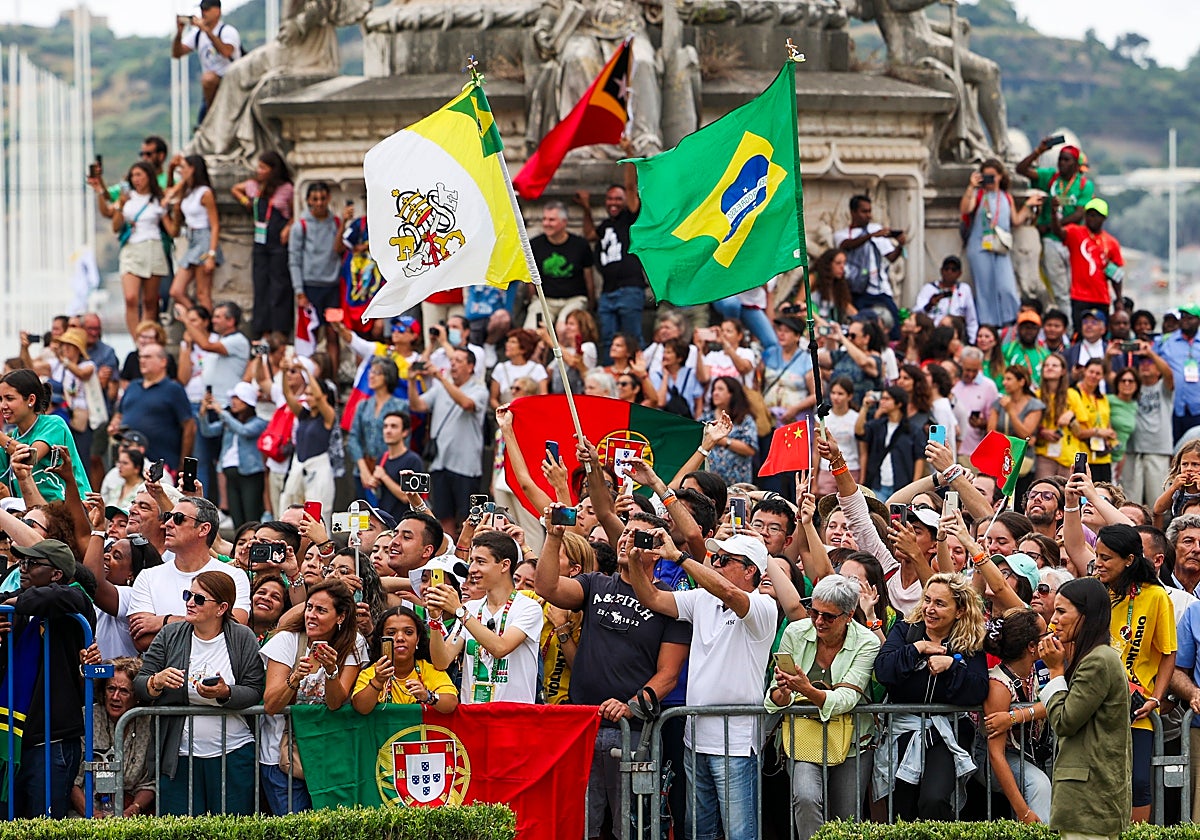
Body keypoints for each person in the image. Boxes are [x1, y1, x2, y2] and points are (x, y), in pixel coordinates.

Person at [534, 508, 689, 840]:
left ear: (657, 549)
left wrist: (630, 705)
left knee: (630, 829)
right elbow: (546, 587)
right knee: (581, 825)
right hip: (583, 726)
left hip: (632, 733)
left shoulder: (672, 604)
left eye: (638, 536)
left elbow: (668, 675)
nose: (626, 539)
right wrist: (554, 536)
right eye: (625, 532)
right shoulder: (595, 583)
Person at [628, 532, 778, 840]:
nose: (717, 565)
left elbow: (728, 592)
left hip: (735, 744)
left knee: (741, 834)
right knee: (699, 832)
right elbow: (652, 598)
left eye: (725, 560)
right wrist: (634, 562)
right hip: (694, 740)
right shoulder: (703, 599)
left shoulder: (764, 606)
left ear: (751, 570)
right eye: (716, 559)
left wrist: (680, 558)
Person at [134, 570, 263, 816]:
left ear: (222, 608)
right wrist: (156, 681)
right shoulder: (170, 634)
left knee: (233, 831)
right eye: (188, 595)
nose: (190, 603)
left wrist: (225, 693)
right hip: (179, 755)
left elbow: (255, 690)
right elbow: (140, 683)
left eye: (199, 599)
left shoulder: (242, 637)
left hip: (233, 752)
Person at [765, 574, 880, 840]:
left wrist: (807, 690)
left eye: (828, 617)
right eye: (814, 612)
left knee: (846, 817)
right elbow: (775, 697)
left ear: (849, 615)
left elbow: (846, 699)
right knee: (804, 798)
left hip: (854, 743)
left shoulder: (867, 642)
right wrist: (781, 693)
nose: (818, 621)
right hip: (804, 735)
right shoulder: (796, 632)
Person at [874, 572, 988, 820]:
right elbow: (883, 670)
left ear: (959, 611)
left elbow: (979, 688)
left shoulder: (969, 641)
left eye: (940, 603)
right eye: (927, 600)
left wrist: (951, 666)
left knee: (934, 800)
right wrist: (917, 649)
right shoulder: (905, 630)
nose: (929, 609)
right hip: (902, 729)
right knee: (902, 808)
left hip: (946, 732)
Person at [1083, 520, 1176, 823]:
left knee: (1137, 783)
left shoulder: (1156, 596)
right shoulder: (1095, 594)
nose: (1098, 563)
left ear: (1129, 560)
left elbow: (1167, 653)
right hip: (1095, 705)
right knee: (1096, 783)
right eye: (1096, 556)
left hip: (1137, 708)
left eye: (1106, 558)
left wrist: (1156, 699)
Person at [0, 539, 94, 818]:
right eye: (21, 562)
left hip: (51, 744)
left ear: (56, 575)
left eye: (32, 563)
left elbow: (57, 597)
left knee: (47, 827)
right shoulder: (16, 606)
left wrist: (13, 603)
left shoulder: (74, 601)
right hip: (11, 739)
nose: (23, 568)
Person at [1037, 577, 1131, 839]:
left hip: (1089, 800)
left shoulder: (1098, 660)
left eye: (1062, 611)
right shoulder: (1097, 657)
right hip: (1093, 800)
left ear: (1087, 615)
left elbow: (1065, 721)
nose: (1053, 619)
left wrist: (1055, 672)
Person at [259, 579, 364, 814]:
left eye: (321, 610)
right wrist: (295, 677)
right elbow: (271, 704)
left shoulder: (354, 643)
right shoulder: (286, 640)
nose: (311, 615)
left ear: (341, 616)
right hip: (281, 756)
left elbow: (335, 702)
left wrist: (330, 671)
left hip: (329, 755)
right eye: (309, 607)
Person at [426, 531, 544, 704]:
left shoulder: (528, 608)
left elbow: (500, 648)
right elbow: (442, 661)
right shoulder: (471, 608)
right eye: (472, 561)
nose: (472, 569)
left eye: (480, 562)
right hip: (474, 717)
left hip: (513, 720)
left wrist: (460, 611)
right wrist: (435, 621)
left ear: (504, 565)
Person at [128, 496, 252, 652]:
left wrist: (164, 621)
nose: (168, 524)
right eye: (168, 516)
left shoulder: (234, 576)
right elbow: (142, 641)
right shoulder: (147, 577)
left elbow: (233, 630)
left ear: (203, 529)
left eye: (179, 519)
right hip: (164, 672)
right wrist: (207, 624)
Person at [979, 608, 1051, 823]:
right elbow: (996, 755)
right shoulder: (999, 685)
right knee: (1038, 784)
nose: (1051, 638)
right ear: (1031, 646)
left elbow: (1061, 700)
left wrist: (1014, 717)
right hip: (996, 758)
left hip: (1030, 752)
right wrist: (1024, 812)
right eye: (1045, 635)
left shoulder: (1040, 668)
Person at [407, 349, 489, 535]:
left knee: (469, 518)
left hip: (466, 466)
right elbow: (417, 405)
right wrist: (412, 380)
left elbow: (467, 404)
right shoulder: (440, 388)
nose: (453, 364)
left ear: (471, 366)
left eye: (459, 361)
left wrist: (441, 379)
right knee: (443, 517)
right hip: (440, 463)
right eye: (451, 360)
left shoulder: (479, 389)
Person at [1016, 142, 1095, 322]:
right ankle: (1066, 328)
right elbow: (1021, 169)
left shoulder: (1084, 185)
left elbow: (1079, 214)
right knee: (1059, 291)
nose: (1062, 163)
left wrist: (1054, 224)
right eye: (1060, 159)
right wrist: (1039, 150)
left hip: (1072, 241)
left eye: (1066, 160)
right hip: (1051, 241)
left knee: (1074, 288)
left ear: (1075, 164)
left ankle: (1074, 323)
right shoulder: (1050, 177)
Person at [69, 656, 155, 818]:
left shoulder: (147, 722)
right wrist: (92, 814)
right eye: (111, 689)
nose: (115, 697)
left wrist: (132, 811)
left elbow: (149, 783)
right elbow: (72, 781)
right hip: (85, 810)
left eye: (124, 691)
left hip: (130, 811)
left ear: (137, 696)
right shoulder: (88, 717)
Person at [95, 161, 168, 338]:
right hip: (132, 248)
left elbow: (169, 225)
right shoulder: (126, 197)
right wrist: (120, 204)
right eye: (133, 175)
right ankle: (137, 340)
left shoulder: (158, 199)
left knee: (150, 301)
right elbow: (115, 225)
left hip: (153, 246)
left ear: (149, 177)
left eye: (140, 175)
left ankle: (147, 336)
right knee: (131, 298)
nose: (136, 179)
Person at [575, 171, 644, 360]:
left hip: (629, 289)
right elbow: (590, 235)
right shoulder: (606, 225)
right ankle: (608, 378)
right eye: (609, 198)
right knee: (607, 340)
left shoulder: (631, 220)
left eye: (618, 199)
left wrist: (630, 156)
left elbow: (631, 189)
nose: (613, 202)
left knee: (632, 338)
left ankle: (638, 378)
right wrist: (586, 208)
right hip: (607, 292)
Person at [960, 160, 1033, 328]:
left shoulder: (1006, 197)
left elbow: (1015, 220)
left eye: (992, 176)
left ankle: (1010, 321)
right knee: (985, 288)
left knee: (1007, 287)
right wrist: (971, 187)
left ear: (1000, 176)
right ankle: (987, 324)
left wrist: (1028, 205)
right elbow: (966, 209)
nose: (990, 180)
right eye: (986, 176)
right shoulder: (979, 195)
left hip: (1000, 247)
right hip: (980, 246)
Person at [0, 369, 92, 500]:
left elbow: (30, 457)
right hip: (33, 515)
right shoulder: (9, 439)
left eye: (9, 398)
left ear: (31, 400)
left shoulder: (54, 424)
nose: (3, 406)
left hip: (74, 512)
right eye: (0, 399)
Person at [232, 151, 295, 337]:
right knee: (260, 284)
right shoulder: (254, 186)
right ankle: (262, 327)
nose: (259, 171)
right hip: (260, 240)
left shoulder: (285, 188)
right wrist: (245, 201)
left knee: (279, 284)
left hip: (277, 240)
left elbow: (293, 212)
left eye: (263, 168)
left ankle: (280, 327)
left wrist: (288, 227)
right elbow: (236, 188)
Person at [351, 606, 459, 713]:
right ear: (382, 640)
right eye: (391, 633)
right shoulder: (371, 673)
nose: (400, 638)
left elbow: (451, 704)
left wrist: (427, 696)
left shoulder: (429, 669)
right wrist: (378, 681)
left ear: (417, 639)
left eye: (408, 632)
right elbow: (361, 708)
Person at [107, 344, 195, 471]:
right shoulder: (132, 386)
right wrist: (114, 425)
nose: (142, 360)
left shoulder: (173, 389)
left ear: (163, 362)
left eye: (147, 357)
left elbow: (189, 426)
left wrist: (183, 462)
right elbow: (119, 414)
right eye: (141, 357)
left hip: (161, 464)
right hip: (130, 465)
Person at [289, 181, 344, 374]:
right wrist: (299, 291)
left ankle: (333, 379)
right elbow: (294, 259)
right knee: (308, 336)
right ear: (308, 201)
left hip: (332, 288)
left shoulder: (337, 223)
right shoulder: (300, 227)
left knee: (333, 333)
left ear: (329, 198)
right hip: (310, 287)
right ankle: (307, 377)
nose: (319, 203)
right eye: (315, 199)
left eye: (322, 198)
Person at [198, 381, 267, 527]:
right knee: (236, 515)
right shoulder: (228, 421)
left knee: (251, 514)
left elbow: (245, 431)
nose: (233, 402)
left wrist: (222, 413)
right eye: (233, 398)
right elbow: (208, 431)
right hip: (230, 472)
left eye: (238, 398)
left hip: (250, 473)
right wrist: (203, 414)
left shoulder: (259, 422)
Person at [1051, 197, 1124, 330]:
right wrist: (1054, 214)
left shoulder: (1111, 243)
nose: (1092, 219)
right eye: (1089, 215)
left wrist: (1119, 299)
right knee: (1080, 332)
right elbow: (1058, 232)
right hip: (1079, 296)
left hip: (1101, 298)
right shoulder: (1075, 232)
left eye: (1096, 216)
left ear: (1104, 218)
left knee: (1100, 333)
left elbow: (1117, 275)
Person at [833, 195, 904, 332]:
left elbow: (891, 257)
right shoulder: (842, 234)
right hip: (858, 289)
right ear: (853, 212)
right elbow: (847, 245)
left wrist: (900, 245)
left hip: (881, 288)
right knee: (862, 327)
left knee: (894, 325)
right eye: (864, 211)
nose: (869, 215)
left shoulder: (876, 229)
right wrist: (870, 236)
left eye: (870, 211)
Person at [163, 154, 222, 312]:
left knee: (203, 293)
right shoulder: (187, 190)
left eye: (184, 168)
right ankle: (198, 318)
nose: (181, 171)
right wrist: (172, 170)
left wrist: (211, 254)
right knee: (176, 290)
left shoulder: (205, 193)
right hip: (191, 239)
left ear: (193, 169)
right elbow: (168, 195)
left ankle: (205, 326)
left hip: (204, 238)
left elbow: (215, 225)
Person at [348, 356, 408, 504]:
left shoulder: (400, 406)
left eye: (377, 372)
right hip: (364, 468)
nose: (371, 375)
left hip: (388, 470)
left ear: (387, 377)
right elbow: (353, 437)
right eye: (371, 371)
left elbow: (404, 441)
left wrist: (382, 470)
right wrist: (363, 470)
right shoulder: (363, 405)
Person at [525, 201, 595, 328]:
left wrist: (591, 304)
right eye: (544, 219)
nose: (546, 223)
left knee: (564, 328)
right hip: (545, 300)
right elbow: (530, 280)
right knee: (531, 331)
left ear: (564, 222)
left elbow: (589, 278)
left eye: (552, 220)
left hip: (574, 299)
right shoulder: (535, 245)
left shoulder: (580, 245)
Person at [172, 0, 241, 122]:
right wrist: (179, 33)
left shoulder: (228, 31)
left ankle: (211, 115)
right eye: (202, 9)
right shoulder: (197, 34)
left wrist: (207, 31)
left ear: (218, 11)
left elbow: (226, 52)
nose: (203, 12)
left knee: (208, 78)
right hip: (210, 91)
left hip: (230, 82)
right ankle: (209, 117)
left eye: (207, 9)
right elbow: (177, 53)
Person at [1125, 344, 1175, 507]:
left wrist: (1150, 353)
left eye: (1150, 362)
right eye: (1142, 362)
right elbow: (1112, 378)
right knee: (1131, 501)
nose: (1145, 364)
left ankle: (1158, 533)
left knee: (1157, 500)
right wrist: (1110, 356)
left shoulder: (1164, 387)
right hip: (1133, 450)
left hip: (1158, 450)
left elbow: (1168, 374)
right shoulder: (1131, 386)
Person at [858, 386, 925, 497]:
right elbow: (859, 432)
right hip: (878, 484)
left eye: (887, 399)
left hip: (902, 486)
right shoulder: (878, 425)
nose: (882, 402)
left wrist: (914, 487)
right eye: (882, 398)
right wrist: (865, 408)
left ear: (899, 403)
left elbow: (919, 459)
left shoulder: (913, 430)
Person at [987, 364, 1044, 481]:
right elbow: (991, 432)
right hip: (1000, 460)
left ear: (1021, 382)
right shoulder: (999, 402)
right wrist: (1018, 442)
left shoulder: (1035, 405)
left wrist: (1010, 412)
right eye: (1004, 379)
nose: (1004, 383)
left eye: (1009, 379)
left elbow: (1025, 434)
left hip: (1023, 461)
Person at [1154, 304, 1200, 443]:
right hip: (1174, 407)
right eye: (1183, 316)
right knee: (1174, 450)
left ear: (1198, 320)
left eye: (1190, 317)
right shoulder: (1166, 341)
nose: (1185, 320)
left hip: (1197, 407)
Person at [698, 377, 757, 486]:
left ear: (732, 394)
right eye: (714, 390)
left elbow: (750, 449)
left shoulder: (745, 420)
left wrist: (723, 440)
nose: (715, 393)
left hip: (737, 485)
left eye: (720, 389)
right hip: (707, 485)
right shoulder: (705, 419)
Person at [1068, 358, 1118, 482]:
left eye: (1098, 373)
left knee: (1104, 494)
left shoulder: (1103, 398)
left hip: (1103, 456)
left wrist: (1110, 434)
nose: (1094, 376)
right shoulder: (1073, 393)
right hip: (1083, 455)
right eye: (1091, 372)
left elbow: (1107, 423)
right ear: (1084, 371)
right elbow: (1076, 431)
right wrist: (1097, 431)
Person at [915, 256, 979, 342]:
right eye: (946, 269)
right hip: (933, 333)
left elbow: (971, 319)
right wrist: (929, 305)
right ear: (941, 271)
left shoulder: (964, 289)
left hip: (956, 335)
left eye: (953, 270)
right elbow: (916, 313)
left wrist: (972, 340)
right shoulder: (929, 288)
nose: (949, 272)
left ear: (959, 273)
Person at [1002, 311, 1050, 383]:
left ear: (1038, 330)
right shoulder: (1007, 350)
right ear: (1018, 329)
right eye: (1025, 327)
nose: (1029, 331)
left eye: (1033, 328)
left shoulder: (1045, 354)